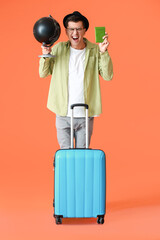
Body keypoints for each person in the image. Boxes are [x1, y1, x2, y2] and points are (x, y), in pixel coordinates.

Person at [39, 11, 113, 149]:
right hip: (62, 112)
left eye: (79, 29)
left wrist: (103, 52)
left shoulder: (95, 50)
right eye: (71, 29)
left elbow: (108, 76)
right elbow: (43, 74)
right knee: (65, 155)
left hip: (85, 113)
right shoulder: (58, 49)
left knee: (82, 155)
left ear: (84, 30)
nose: (75, 33)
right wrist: (45, 55)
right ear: (66, 31)